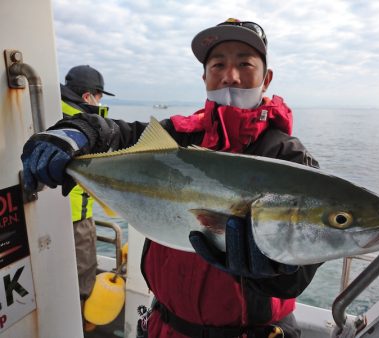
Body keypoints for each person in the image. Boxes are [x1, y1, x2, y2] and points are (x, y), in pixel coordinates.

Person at [21, 19, 322, 337]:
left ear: (266, 78)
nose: (230, 76)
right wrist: (79, 130)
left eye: (245, 64)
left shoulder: (289, 159)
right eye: (218, 64)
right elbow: (120, 135)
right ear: (204, 77)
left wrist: (275, 271)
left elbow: (299, 274)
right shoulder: (178, 134)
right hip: (163, 326)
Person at [60, 65, 115, 331]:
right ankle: (79, 326)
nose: (100, 102)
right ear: (87, 97)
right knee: (83, 273)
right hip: (75, 217)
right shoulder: (86, 125)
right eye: (99, 96)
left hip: (48, 216)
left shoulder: (49, 111)